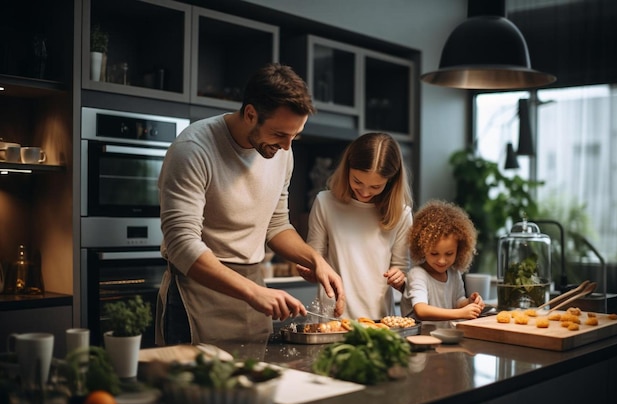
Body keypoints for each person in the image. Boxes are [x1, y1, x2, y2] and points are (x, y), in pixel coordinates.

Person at [155, 63, 345, 346]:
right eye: (280, 134)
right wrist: (253, 292)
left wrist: (316, 260)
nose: (287, 146)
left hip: (254, 288)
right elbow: (183, 245)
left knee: (257, 384)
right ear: (250, 114)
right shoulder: (193, 149)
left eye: (296, 136)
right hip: (199, 291)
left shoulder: (282, 152)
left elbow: (276, 224)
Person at [298, 132, 413, 319]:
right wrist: (311, 271)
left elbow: (401, 270)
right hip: (331, 318)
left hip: (379, 321)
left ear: (391, 181)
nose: (365, 192)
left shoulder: (401, 214)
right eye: (358, 182)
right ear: (347, 169)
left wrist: (399, 278)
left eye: (376, 186)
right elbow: (315, 259)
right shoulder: (325, 203)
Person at [401, 199, 484, 329]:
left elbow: (458, 301)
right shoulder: (418, 275)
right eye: (434, 254)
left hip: (443, 338)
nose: (442, 261)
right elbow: (421, 310)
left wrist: (469, 302)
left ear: (460, 250)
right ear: (422, 248)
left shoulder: (454, 273)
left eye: (449, 254)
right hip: (418, 339)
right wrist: (461, 313)